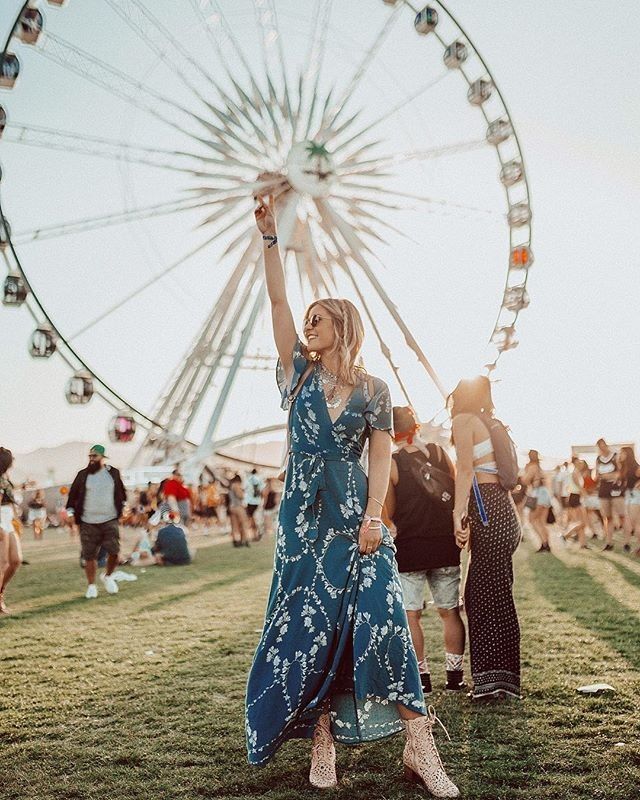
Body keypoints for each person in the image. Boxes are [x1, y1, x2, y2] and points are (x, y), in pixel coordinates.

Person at [246, 187, 458, 797]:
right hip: (301, 519)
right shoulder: (298, 373)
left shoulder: (373, 389)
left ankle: (420, 745)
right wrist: (269, 238)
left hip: (352, 515)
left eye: (318, 318)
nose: (307, 323)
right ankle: (321, 742)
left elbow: (384, 454)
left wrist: (372, 517)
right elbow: (279, 299)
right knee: (313, 627)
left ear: (343, 327)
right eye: (307, 320)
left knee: (382, 615)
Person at [384, 406, 466, 694]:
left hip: (410, 548)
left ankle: (422, 679)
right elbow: (457, 493)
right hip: (445, 544)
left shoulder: (392, 463)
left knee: (411, 615)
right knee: (450, 612)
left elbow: (387, 510)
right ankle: (455, 677)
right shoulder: (440, 452)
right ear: (416, 425)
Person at [449, 376, 521, 701]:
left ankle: (490, 686)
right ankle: (504, 682)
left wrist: (456, 515)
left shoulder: (464, 421)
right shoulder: (489, 422)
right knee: (497, 594)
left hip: (487, 507)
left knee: (479, 595)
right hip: (504, 509)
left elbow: (465, 470)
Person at [67, 444, 127, 599]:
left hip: (110, 519)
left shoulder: (113, 473)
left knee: (114, 551)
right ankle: (91, 585)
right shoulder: (82, 475)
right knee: (89, 556)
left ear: (103, 458)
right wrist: (70, 511)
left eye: (95, 456)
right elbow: (72, 495)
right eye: (90, 456)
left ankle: (108, 576)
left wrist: (124, 507)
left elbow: (121, 492)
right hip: (88, 521)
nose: (92, 459)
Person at [0, 447, 22, 614]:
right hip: (0, 520)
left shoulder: (4, 477)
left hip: (7, 519)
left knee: (15, 560)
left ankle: (1, 592)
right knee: (2, 563)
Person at [595, 438, 625, 551]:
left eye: (604, 445)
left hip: (616, 490)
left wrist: (609, 476)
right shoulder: (598, 459)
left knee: (622, 515)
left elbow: (620, 473)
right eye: (600, 446)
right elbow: (597, 475)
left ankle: (626, 541)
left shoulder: (615, 456)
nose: (602, 448)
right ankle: (609, 542)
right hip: (603, 490)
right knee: (607, 517)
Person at [522, 450, 551, 552]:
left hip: (537, 494)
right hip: (545, 493)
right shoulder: (538, 466)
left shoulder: (532, 466)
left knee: (532, 519)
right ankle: (546, 544)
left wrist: (525, 472)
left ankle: (544, 543)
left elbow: (525, 480)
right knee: (542, 522)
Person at [618, 446, 640, 554]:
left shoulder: (636, 467)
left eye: (622, 453)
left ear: (628, 454)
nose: (620, 455)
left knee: (636, 523)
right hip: (628, 495)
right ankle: (630, 545)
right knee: (631, 522)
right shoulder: (624, 467)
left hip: (635, 495)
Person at [228, 474, 250, 547]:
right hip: (238, 506)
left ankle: (236, 541)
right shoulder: (236, 485)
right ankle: (245, 540)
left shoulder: (231, 486)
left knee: (234, 525)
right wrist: (243, 492)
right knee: (243, 524)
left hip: (231, 506)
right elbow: (240, 496)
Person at [244, 468, 264, 541]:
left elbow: (245, 490)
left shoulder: (248, 479)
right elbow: (262, 492)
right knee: (255, 518)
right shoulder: (259, 479)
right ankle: (257, 533)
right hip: (257, 502)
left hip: (250, 502)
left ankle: (254, 534)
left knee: (252, 518)